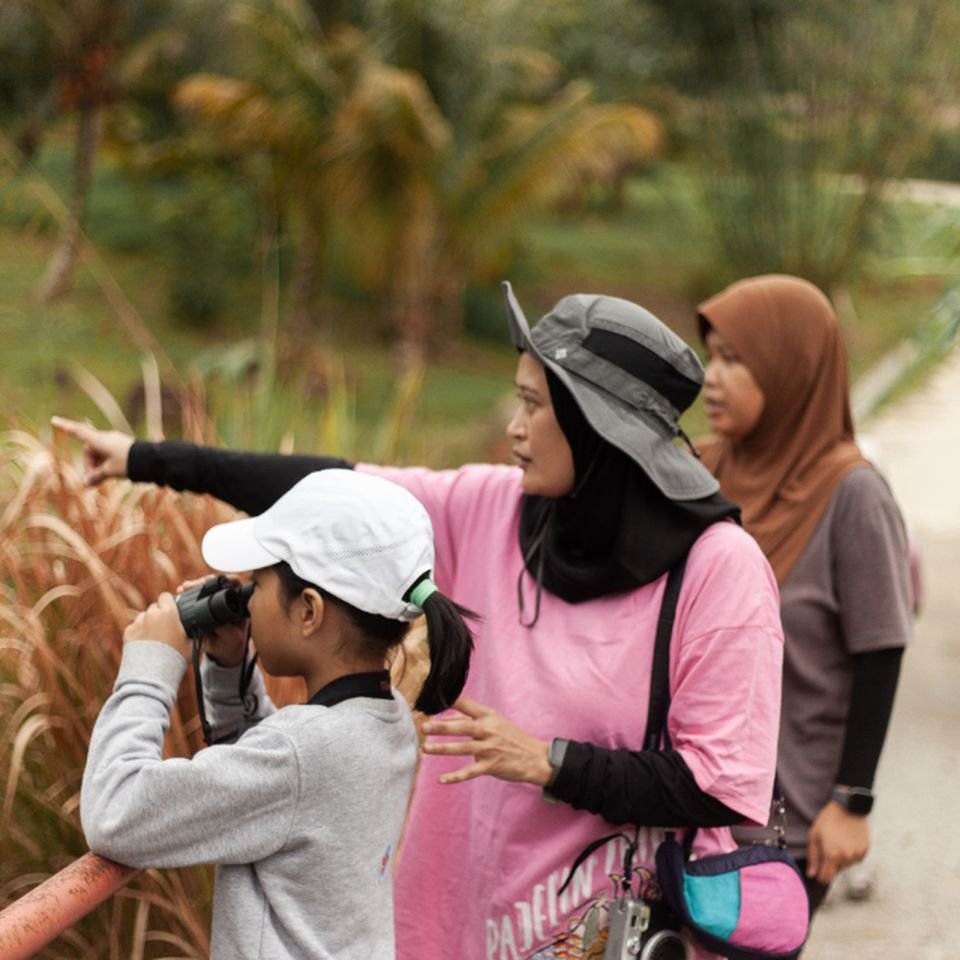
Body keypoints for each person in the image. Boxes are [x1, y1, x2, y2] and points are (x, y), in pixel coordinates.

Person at [56, 280, 784, 960]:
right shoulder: (497, 509)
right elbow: (333, 490)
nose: (513, 426)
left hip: (594, 932)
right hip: (453, 917)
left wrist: (550, 762)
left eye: (533, 405)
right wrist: (146, 458)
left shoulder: (719, 570)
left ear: (599, 427)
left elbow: (722, 784)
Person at [79, 468, 475, 960]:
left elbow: (116, 815)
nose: (247, 599)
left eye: (258, 584)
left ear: (308, 611)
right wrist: (228, 667)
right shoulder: (385, 718)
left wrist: (149, 664)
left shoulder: (298, 755)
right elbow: (276, 793)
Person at [695, 274, 913, 916]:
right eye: (710, 355)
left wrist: (853, 802)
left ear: (790, 369)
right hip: (689, 806)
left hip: (784, 829)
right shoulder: (701, 473)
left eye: (734, 359)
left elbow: (881, 651)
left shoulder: (853, 494)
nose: (711, 377)